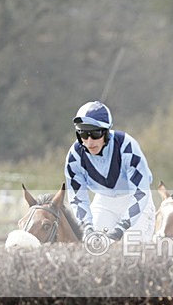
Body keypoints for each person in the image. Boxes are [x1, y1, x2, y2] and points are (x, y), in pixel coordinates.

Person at [64, 101, 155, 244]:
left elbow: (140, 193)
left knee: (132, 249)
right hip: (104, 201)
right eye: (83, 133)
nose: (89, 141)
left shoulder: (127, 147)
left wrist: (121, 228)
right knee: (93, 246)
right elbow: (77, 198)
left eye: (95, 133)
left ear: (107, 132)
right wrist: (87, 227)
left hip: (136, 201)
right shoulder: (74, 156)